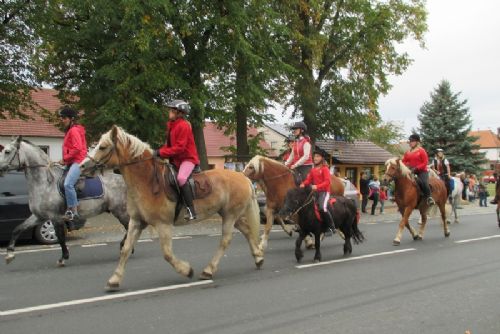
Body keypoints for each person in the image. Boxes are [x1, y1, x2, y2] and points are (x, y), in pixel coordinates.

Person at [155, 99, 200, 221]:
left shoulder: (184, 126)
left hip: (188, 159)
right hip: (176, 160)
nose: (169, 112)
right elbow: (168, 146)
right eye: (170, 110)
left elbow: (179, 148)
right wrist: (158, 153)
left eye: (172, 110)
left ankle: (191, 210)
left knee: (181, 179)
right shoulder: (171, 125)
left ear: (179, 113)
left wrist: (161, 152)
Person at [58, 106, 87, 226]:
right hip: (71, 161)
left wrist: (65, 159)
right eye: (61, 117)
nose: (62, 120)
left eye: (64, 118)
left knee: (68, 184)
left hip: (78, 161)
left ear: (71, 119)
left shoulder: (74, 130)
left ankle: (73, 211)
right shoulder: (70, 131)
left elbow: (77, 148)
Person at [300, 150, 336, 233]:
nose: (315, 158)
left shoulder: (325, 169)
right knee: (305, 206)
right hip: (316, 192)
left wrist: (317, 186)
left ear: (322, 158)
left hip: (324, 192)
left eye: (317, 156)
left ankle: (331, 227)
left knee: (322, 208)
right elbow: (309, 180)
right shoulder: (313, 170)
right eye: (315, 156)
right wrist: (303, 184)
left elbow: (327, 182)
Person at [402, 133, 435, 206]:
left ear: (417, 142)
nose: (410, 143)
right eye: (410, 141)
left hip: (421, 171)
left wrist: (416, 168)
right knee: (401, 180)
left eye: (412, 141)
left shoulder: (421, 151)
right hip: (410, 171)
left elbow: (425, 162)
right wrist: (405, 166)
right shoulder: (408, 152)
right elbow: (404, 161)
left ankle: (429, 198)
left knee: (424, 183)